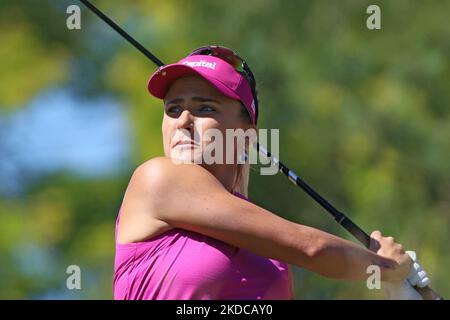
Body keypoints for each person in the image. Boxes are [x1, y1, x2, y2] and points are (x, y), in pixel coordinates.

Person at [113, 45, 413, 300]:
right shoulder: (157, 179)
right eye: (173, 109)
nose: (184, 120)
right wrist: (387, 267)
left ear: (247, 135)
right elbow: (313, 249)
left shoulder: (273, 261)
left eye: (205, 108)